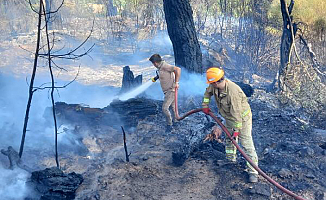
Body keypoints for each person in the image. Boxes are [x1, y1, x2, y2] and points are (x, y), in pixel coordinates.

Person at [202, 67, 259, 183]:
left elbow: (236, 114)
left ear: (217, 81)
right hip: (229, 117)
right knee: (229, 139)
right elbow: (207, 92)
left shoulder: (232, 92)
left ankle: (253, 172)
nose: (211, 85)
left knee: (246, 143)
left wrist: (236, 130)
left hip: (242, 119)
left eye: (212, 83)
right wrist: (205, 105)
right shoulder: (215, 86)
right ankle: (230, 160)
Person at [149, 54, 181, 132]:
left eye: (153, 63)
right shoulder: (160, 68)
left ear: (155, 63)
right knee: (173, 107)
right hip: (168, 91)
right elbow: (163, 74)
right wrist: (156, 78)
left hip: (171, 90)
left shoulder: (165, 66)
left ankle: (169, 125)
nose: (153, 65)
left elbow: (178, 69)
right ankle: (176, 122)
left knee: (164, 108)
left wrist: (176, 82)